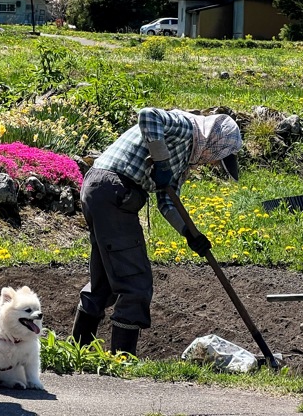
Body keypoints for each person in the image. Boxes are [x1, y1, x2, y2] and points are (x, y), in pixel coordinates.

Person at [70, 107, 242, 355]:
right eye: (218, 157)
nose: (213, 162)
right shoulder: (186, 127)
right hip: (114, 189)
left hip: (103, 191)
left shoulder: (184, 157)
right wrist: (161, 163)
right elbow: (148, 115)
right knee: (135, 283)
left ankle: (78, 352)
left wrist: (190, 235)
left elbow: (167, 202)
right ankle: (121, 360)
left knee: (105, 281)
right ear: (214, 143)